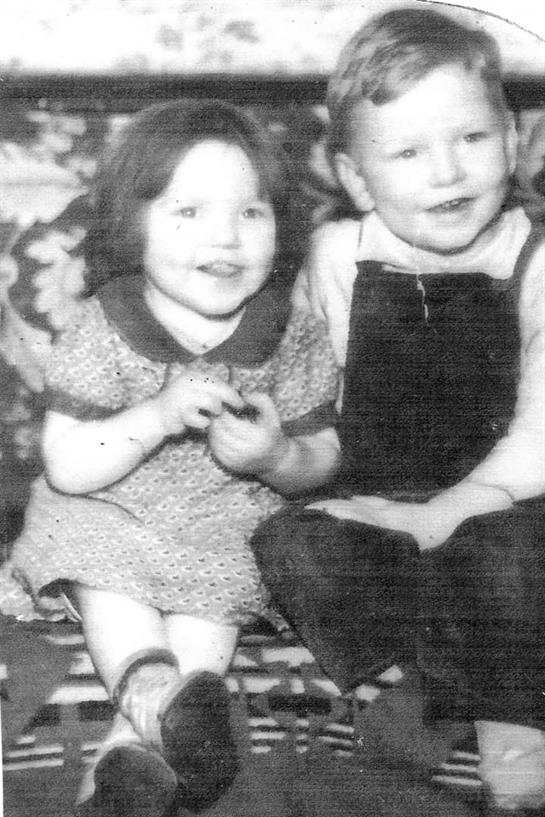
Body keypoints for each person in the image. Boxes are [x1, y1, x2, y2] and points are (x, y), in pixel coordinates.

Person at [10, 99, 341, 817]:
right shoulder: (106, 322)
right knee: (105, 578)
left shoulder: (292, 331)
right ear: (132, 227)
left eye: (250, 213)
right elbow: (67, 464)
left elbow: (324, 456)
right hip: (108, 503)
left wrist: (279, 454)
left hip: (224, 512)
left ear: (280, 226)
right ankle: (153, 694)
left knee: (213, 601)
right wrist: (155, 416)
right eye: (188, 212)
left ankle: (117, 777)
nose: (224, 237)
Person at [250, 8, 545, 813]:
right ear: (354, 177)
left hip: (509, 503)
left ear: (512, 142)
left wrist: (444, 515)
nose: (445, 172)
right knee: (289, 544)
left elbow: (536, 439)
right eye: (407, 152)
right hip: (392, 504)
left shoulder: (536, 258)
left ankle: (512, 741)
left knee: (510, 561)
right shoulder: (338, 255)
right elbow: (320, 405)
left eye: (471, 140)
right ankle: (444, 671)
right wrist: (283, 455)